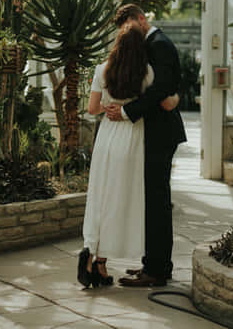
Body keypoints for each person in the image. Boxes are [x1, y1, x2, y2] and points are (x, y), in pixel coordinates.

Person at [78, 25, 178, 288]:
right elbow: (166, 103)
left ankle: (94, 258)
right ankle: (103, 261)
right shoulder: (146, 73)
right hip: (132, 139)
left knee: (101, 196)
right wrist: (175, 97)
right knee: (120, 200)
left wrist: (108, 107)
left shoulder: (102, 69)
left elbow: (91, 109)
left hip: (106, 139)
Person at [104, 4, 187, 288]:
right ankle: (152, 264)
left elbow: (161, 89)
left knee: (157, 203)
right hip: (153, 134)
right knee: (152, 202)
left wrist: (127, 112)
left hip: (161, 135)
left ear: (141, 19)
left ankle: (158, 270)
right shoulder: (150, 45)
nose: (128, 34)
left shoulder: (159, 44)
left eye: (130, 27)